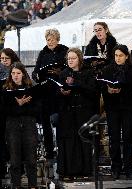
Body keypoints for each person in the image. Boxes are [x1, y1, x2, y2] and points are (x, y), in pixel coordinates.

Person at [56, 48, 99, 178]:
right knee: (69, 141)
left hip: (84, 111)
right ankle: (69, 170)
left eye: (73, 58)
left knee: (83, 140)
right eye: (68, 58)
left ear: (79, 59)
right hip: (68, 112)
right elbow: (58, 91)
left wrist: (77, 83)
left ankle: (85, 170)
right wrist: (62, 92)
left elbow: (93, 91)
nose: (70, 61)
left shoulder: (88, 72)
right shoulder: (64, 73)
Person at [101, 44, 132, 179]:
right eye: (116, 55)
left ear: (126, 56)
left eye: (121, 56)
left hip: (128, 107)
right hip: (112, 107)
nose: (118, 58)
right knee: (114, 138)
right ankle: (115, 167)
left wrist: (123, 90)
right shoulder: (107, 69)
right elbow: (101, 86)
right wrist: (108, 90)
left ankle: (129, 168)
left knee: (128, 137)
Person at [1, 62, 40, 189]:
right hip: (12, 126)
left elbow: (37, 110)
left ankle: (33, 186)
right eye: (13, 73)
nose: (15, 76)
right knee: (15, 159)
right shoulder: (5, 90)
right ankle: (16, 186)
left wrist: (21, 106)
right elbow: (4, 111)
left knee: (31, 158)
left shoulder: (31, 89)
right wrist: (18, 105)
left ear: (23, 74)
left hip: (29, 124)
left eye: (18, 73)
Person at [32, 28, 68, 160]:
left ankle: (63, 150)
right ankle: (49, 152)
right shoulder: (43, 53)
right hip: (46, 92)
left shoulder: (65, 50)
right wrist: (36, 75)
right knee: (46, 122)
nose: (50, 41)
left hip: (59, 92)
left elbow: (69, 69)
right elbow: (35, 72)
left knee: (61, 121)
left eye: (52, 39)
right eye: (48, 39)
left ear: (57, 39)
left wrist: (61, 72)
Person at [0, 48, 20, 184]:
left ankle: (17, 171)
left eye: (6, 59)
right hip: (2, 110)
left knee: (14, 141)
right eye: (1, 59)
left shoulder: (17, 70)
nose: (4, 61)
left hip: (14, 111)